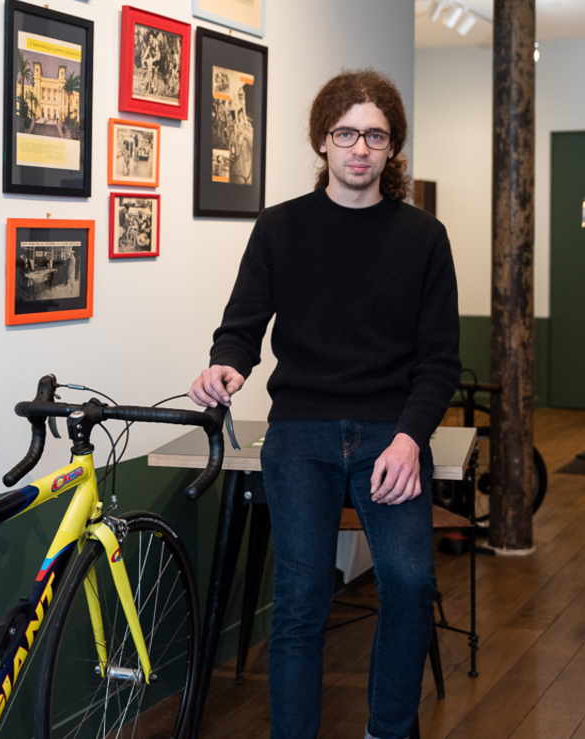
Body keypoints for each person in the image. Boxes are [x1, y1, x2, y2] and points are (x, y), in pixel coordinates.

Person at [188, 69, 460, 739]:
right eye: (346, 134)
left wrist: (408, 439)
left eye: (375, 135)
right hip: (301, 433)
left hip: (390, 433)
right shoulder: (281, 228)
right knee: (302, 602)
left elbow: (439, 361)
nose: (359, 148)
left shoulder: (424, 238)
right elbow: (242, 324)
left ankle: (388, 730)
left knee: (408, 582)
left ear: (391, 147)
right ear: (322, 141)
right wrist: (226, 364)